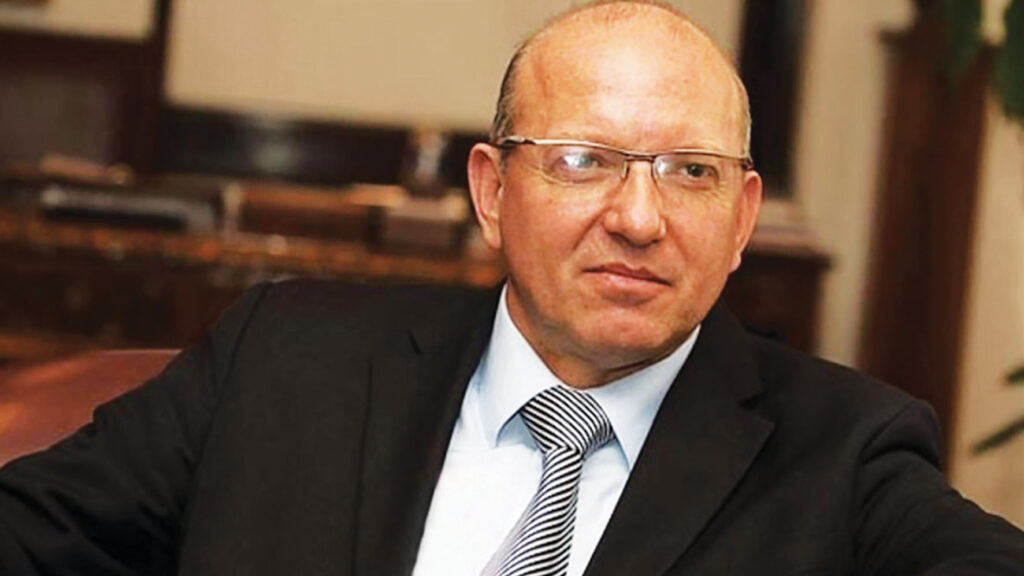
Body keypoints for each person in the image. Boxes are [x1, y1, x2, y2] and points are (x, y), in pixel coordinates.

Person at [1, 1, 1022, 575]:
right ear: (492, 191)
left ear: (742, 218)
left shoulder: (845, 454)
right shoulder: (283, 358)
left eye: (690, 172)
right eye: (583, 161)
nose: (638, 217)